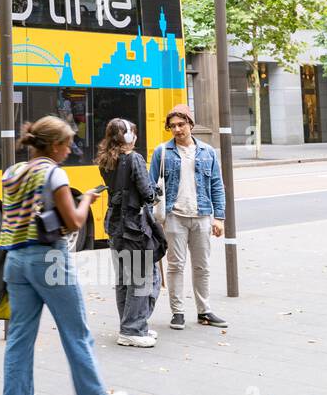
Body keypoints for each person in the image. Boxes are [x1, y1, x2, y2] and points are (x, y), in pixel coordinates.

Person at [0, 116, 127, 395]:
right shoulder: (54, 173)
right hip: (50, 261)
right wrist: (85, 201)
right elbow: (75, 223)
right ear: (54, 145)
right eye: (67, 143)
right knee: (76, 333)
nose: (70, 149)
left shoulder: (12, 172)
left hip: (15, 261)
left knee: (19, 341)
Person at [149, 104, 228, 330]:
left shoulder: (207, 152)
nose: (177, 129)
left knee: (202, 266)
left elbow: (216, 185)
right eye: (172, 126)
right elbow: (150, 185)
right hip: (174, 216)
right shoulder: (162, 152)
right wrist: (155, 216)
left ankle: (204, 311)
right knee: (175, 266)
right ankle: (178, 312)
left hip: (202, 215)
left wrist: (219, 218)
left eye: (181, 124)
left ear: (190, 125)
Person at [96, 118, 162, 348]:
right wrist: (157, 190)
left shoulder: (105, 160)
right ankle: (132, 328)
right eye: (132, 132)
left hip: (114, 226)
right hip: (134, 227)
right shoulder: (134, 158)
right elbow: (148, 194)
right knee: (144, 279)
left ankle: (132, 325)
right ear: (127, 136)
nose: (135, 137)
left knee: (124, 279)